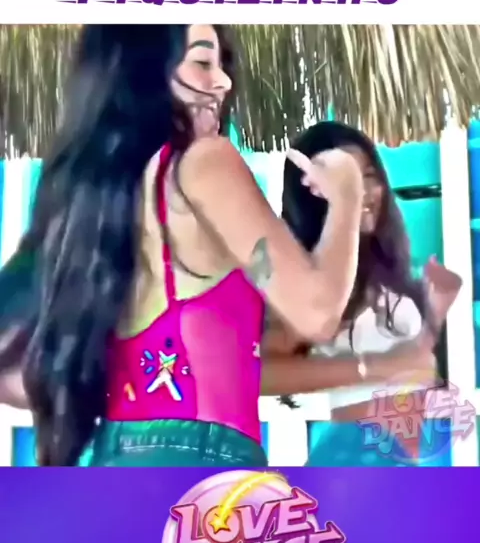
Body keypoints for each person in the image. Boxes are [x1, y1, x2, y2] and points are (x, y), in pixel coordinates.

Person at [0, 24, 378, 468]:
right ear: (146, 73)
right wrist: (347, 190)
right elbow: (317, 312)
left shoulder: (99, 202)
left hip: (118, 457)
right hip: (202, 463)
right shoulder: (203, 162)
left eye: (221, 65)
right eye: (202, 63)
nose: (224, 82)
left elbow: (14, 376)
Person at [263, 121, 462, 467]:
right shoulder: (316, 279)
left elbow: (407, 370)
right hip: (355, 457)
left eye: (368, 175)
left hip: (398, 462)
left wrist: (433, 317)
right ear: (311, 191)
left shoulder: (384, 269)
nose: (365, 191)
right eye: (348, 179)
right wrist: (376, 367)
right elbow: (262, 371)